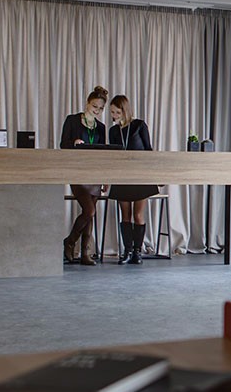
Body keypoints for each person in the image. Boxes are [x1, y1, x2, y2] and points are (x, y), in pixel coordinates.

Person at [59, 85, 108, 265]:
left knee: (90, 214)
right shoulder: (72, 120)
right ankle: (70, 241)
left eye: (101, 108)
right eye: (95, 106)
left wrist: (106, 178)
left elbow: (104, 154)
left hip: (95, 173)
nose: (97, 110)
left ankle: (85, 253)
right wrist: (74, 142)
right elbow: (62, 144)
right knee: (89, 210)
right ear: (87, 103)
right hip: (77, 172)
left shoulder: (101, 127)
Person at [107, 94, 158, 265]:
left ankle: (138, 251)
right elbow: (111, 157)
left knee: (138, 214)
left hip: (141, 175)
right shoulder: (113, 131)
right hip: (121, 176)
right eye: (112, 112)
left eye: (117, 112)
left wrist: (155, 175)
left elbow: (149, 150)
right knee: (126, 215)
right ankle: (127, 251)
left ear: (125, 111)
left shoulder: (139, 125)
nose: (114, 115)